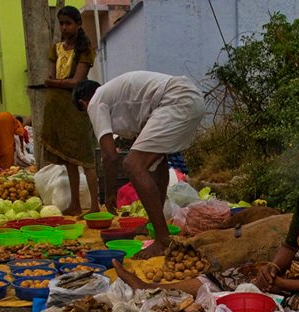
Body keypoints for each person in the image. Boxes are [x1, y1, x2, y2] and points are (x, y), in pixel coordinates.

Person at [113, 125, 299, 311]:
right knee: (227, 275)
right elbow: (290, 245)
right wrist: (273, 267)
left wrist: (280, 280)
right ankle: (152, 289)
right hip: (290, 277)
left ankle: (177, 296)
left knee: (266, 305)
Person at [74, 71, 205, 259]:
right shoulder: (120, 98)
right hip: (190, 98)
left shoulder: (95, 102)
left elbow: (110, 156)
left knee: (133, 165)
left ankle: (162, 239)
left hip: (176, 99)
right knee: (157, 163)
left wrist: (109, 193)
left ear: (82, 104)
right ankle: (154, 226)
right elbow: (157, 164)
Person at [39, 6, 99, 215]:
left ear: (78, 25)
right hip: (57, 109)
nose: (64, 27)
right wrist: (54, 82)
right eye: (61, 23)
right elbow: (53, 77)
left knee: (85, 158)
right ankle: (75, 203)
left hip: (75, 108)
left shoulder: (84, 50)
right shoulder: (55, 49)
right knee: (69, 160)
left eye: (68, 23)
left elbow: (76, 82)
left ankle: (95, 206)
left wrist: (54, 82)